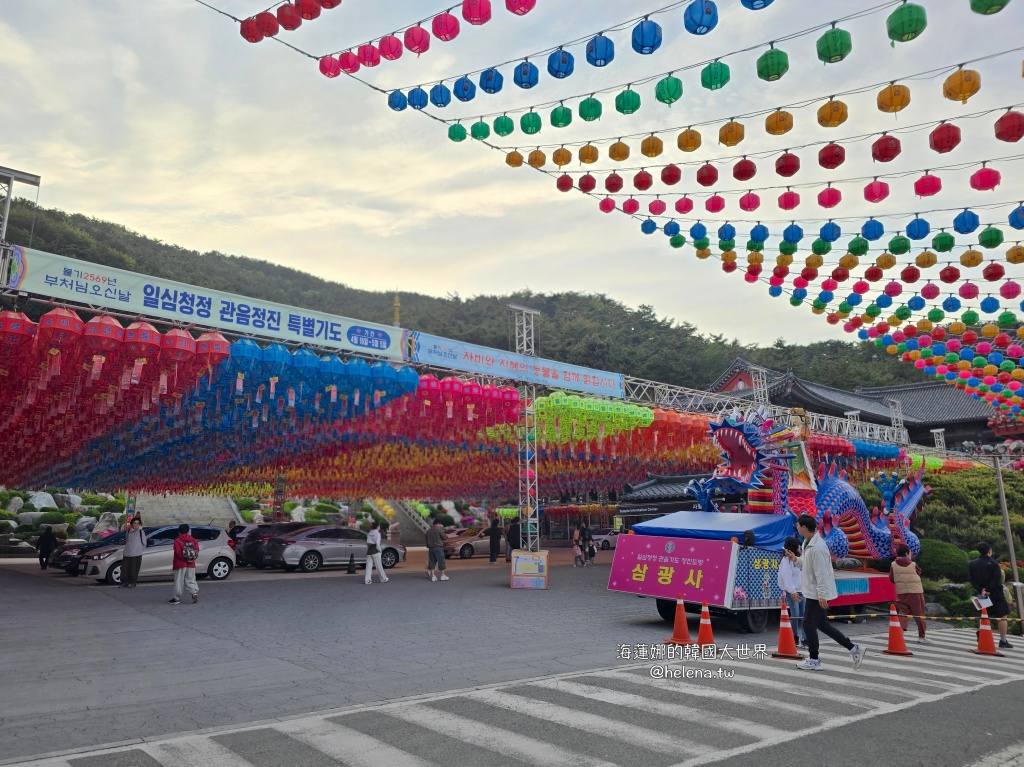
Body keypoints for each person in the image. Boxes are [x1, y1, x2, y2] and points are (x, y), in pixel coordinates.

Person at [785, 514, 866, 671]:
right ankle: (854, 649)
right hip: (813, 592)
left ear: (803, 527)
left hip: (816, 593)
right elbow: (808, 566)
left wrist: (822, 595)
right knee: (822, 625)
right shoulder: (809, 543)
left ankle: (814, 659)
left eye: (798, 524)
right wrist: (795, 559)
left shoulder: (818, 547)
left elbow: (821, 573)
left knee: (808, 625)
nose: (796, 526)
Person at [969, 542, 1013, 649]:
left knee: (984, 614)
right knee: (1002, 615)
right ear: (989, 551)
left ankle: (981, 632)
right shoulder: (993, 564)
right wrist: (988, 589)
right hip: (995, 593)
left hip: (981, 593)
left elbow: (971, 579)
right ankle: (1003, 640)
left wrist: (981, 589)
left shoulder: (972, 564)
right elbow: (996, 579)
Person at [889, 543, 928, 644]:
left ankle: (900, 631)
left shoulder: (893, 564)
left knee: (903, 611)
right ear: (907, 553)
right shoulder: (913, 564)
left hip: (902, 592)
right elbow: (919, 572)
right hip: (915, 592)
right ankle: (921, 637)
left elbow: (892, 578)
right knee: (919, 614)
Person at [777, 536, 807, 647]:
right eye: (798, 547)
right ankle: (795, 637)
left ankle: (805, 638)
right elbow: (786, 577)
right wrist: (792, 591)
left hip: (802, 590)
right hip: (792, 591)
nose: (800, 549)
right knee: (795, 614)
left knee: (804, 614)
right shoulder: (786, 561)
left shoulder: (800, 558)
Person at [169, 523, 199, 605]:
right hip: (191, 563)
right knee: (191, 580)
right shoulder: (193, 540)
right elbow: (197, 550)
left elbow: (178, 553)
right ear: (188, 531)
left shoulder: (177, 540)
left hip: (180, 563)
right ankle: (194, 593)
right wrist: (191, 559)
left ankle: (176, 598)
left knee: (178, 581)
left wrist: (185, 559)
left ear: (179, 531)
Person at [121, 516, 147, 588]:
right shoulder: (129, 531)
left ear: (139, 524)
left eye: (137, 523)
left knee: (134, 569)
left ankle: (133, 582)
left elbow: (144, 543)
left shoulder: (141, 532)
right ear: (132, 524)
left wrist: (139, 550)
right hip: (127, 552)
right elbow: (127, 541)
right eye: (134, 523)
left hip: (136, 553)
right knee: (125, 568)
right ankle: (124, 582)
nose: (135, 524)